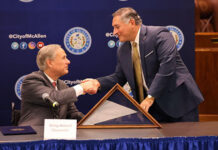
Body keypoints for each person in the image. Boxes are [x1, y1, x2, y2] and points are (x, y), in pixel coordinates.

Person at [84, 7, 204, 122]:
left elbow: (167, 68)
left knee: (185, 142)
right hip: (151, 109)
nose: (114, 32)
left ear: (131, 22)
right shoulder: (123, 49)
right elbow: (119, 77)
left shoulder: (159, 35)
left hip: (178, 103)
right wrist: (98, 83)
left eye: (117, 27)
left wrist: (150, 97)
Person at [18, 44, 93, 126]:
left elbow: (72, 114)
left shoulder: (62, 85)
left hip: (57, 135)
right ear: (50, 63)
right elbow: (54, 97)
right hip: (33, 135)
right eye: (64, 58)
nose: (68, 61)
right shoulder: (31, 80)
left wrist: (92, 123)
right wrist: (82, 87)